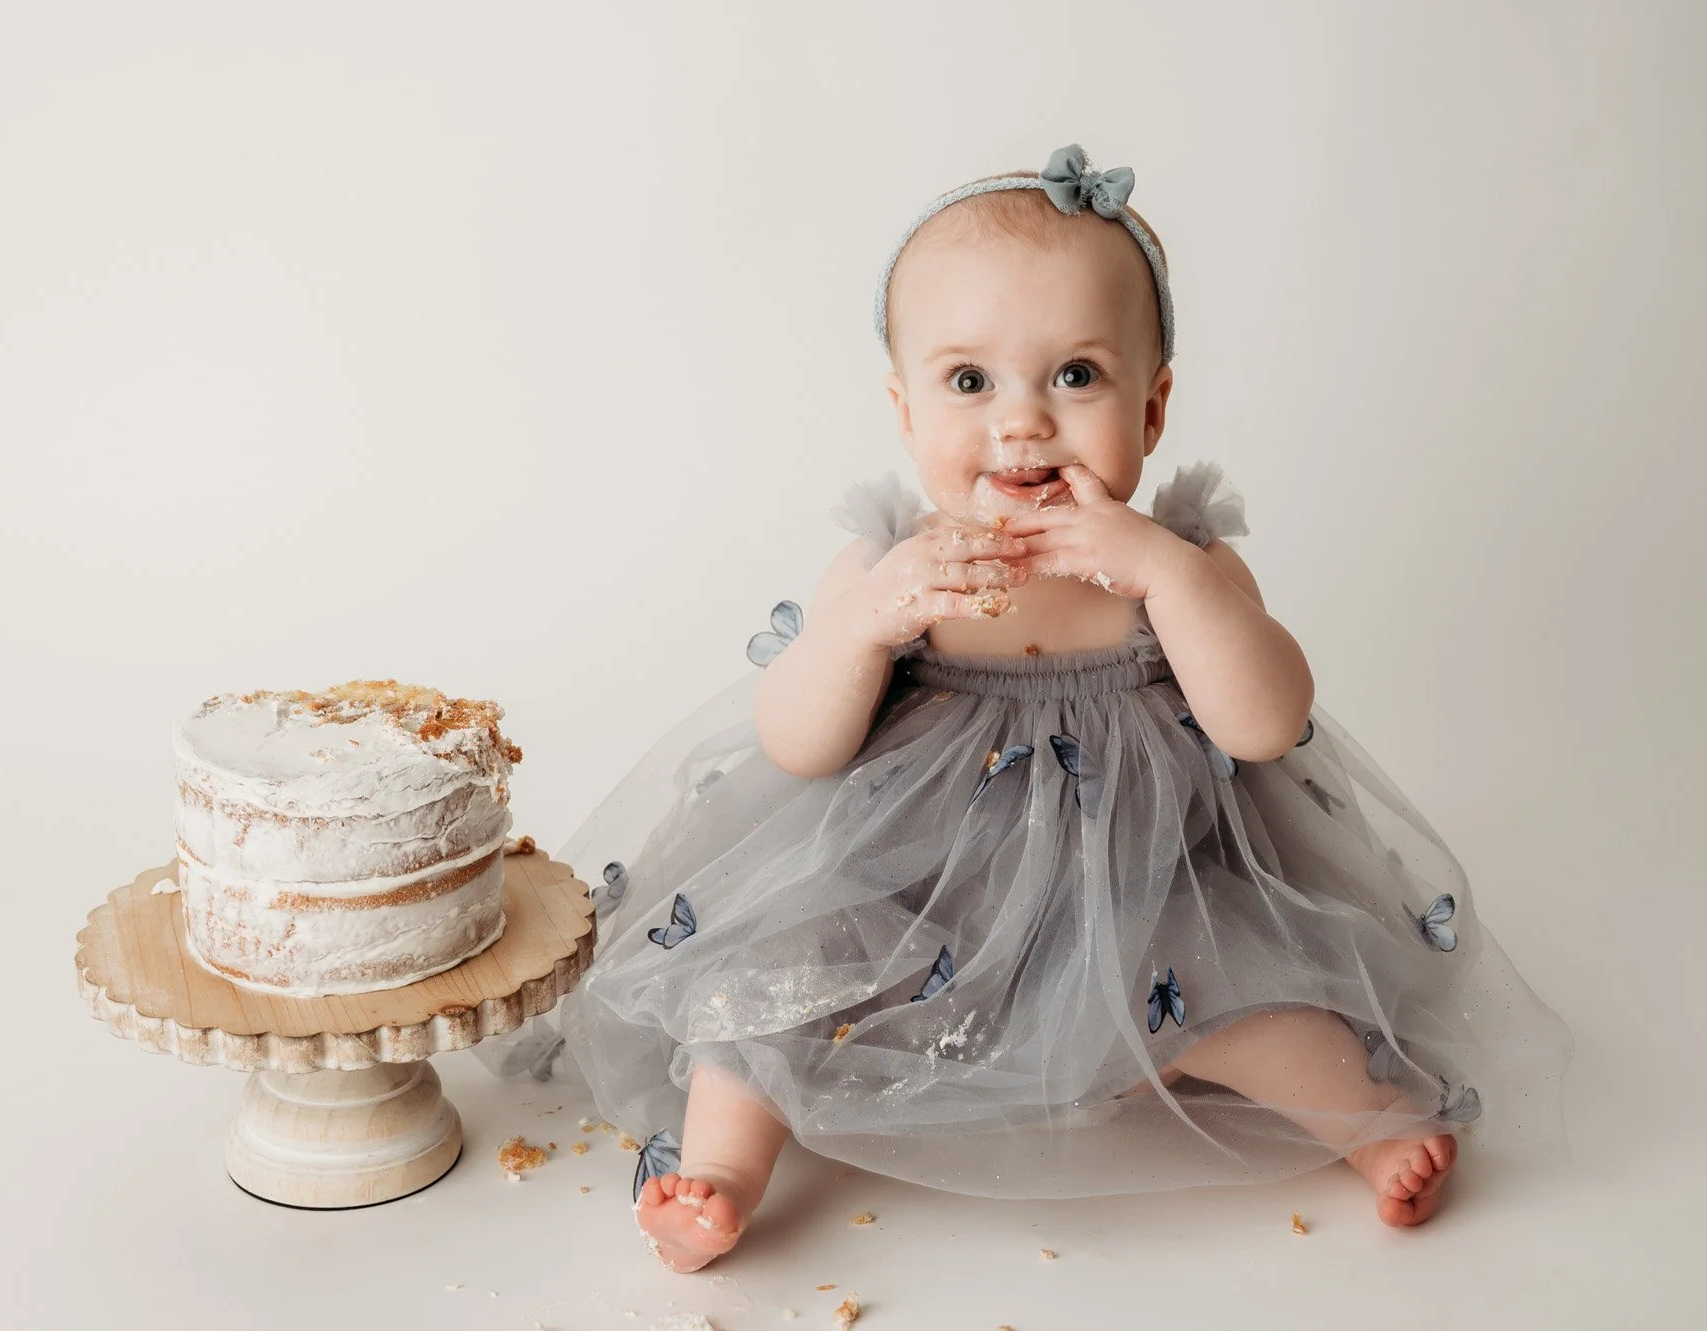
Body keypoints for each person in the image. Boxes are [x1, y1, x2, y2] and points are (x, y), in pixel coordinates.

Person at [480, 143, 1570, 1272]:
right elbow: (797, 743)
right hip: (902, 888)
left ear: (1151, 410)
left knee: (1236, 983)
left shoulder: (1181, 567)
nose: (1023, 423)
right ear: (903, 412)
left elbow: (1263, 723)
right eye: (969, 382)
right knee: (767, 983)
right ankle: (717, 1172)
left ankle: (1368, 1115)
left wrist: (1166, 577)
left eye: (1075, 376)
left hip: (1139, 885)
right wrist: (861, 625)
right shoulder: (889, 568)